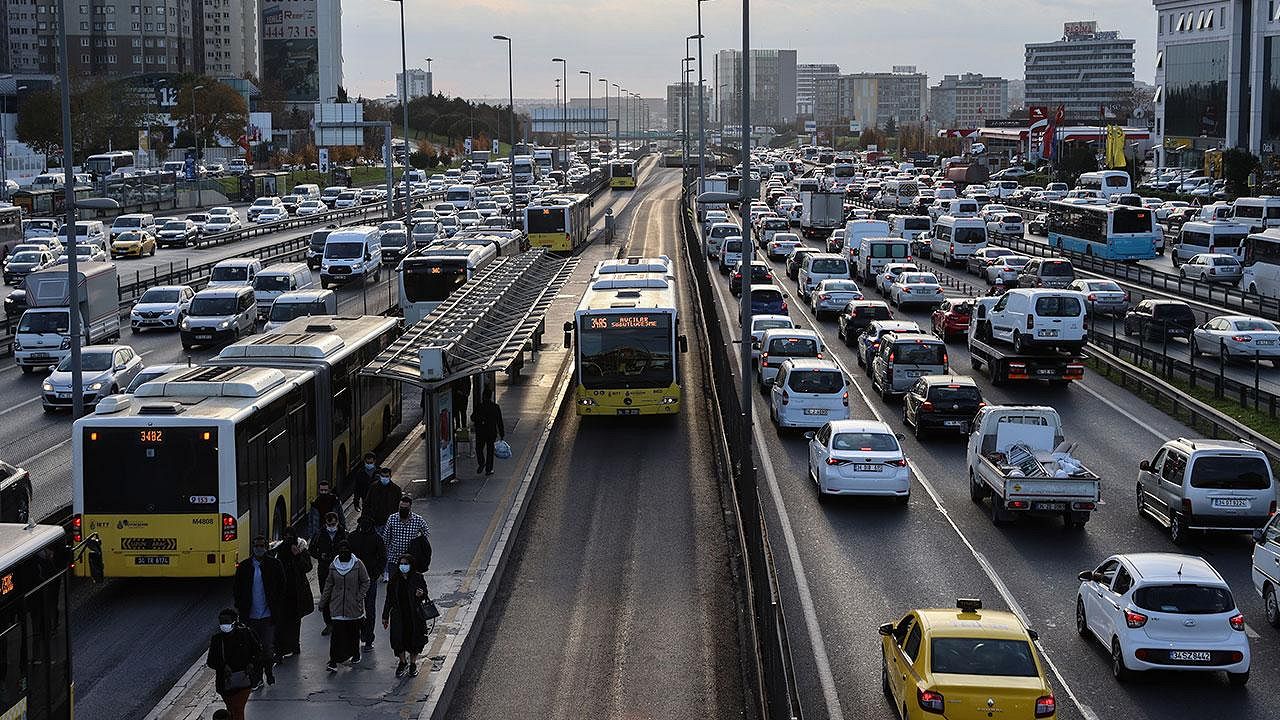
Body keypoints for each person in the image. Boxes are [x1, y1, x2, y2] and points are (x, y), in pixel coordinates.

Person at [206, 608, 272, 720]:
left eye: (226, 621)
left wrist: (251, 664)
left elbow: (258, 652)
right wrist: (222, 666)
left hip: (244, 680)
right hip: (226, 682)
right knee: (231, 708)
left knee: (238, 709)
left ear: (234, 621)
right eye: (221, 622)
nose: (224, 625)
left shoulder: (246, 634)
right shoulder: (217, 639)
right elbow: (211, 662)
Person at [318, 540, 371, 671]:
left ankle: (355, 654)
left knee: (353, 634)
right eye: (341, 549)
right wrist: (323, 602)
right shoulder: (333, 566)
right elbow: (328, 585)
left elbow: (366, 581)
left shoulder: (358, 564)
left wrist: (359, 597)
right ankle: (333, 661)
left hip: (353, 607)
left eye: (346, 549)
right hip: (337, 607)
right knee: (336, 636)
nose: (343, 552)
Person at [232, 536, 285, 666]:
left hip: (268, 616)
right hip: (250, 616)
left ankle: (267, 670)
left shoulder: (275, 565)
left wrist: (277, 606)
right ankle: (257, 677)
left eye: (262, 546)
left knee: (266, 648)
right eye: (256, 546)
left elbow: (282, 586)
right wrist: (240, 606)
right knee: (252, 649)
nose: (259, 549)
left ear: (266, 547)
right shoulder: (244, 567)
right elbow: (236, 589)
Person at [382, 553, 429, 677]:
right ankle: (402, 662)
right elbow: (388, 599)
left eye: (406, 564)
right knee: (398, 640)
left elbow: (425, 593)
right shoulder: (394, 580)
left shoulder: (418, 577)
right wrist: (385, 616)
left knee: (416, 640)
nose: (403, 566)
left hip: (414, 615)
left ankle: (413, 663)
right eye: (401, 564)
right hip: (399, 615)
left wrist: (421, 594)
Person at [347, 514, 387, 652]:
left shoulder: (352, 537)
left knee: (355, 610)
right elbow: (383, 558)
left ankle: (360, 637)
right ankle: (368, 638)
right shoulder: (377, 538)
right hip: (369, 579)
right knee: (370, 609)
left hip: (357, 579)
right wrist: (376, 573)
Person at [275, 528, 314, 658]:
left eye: (290, 536)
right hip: (283, 592)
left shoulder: (301, 549)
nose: (287, 538)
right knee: (282, 621)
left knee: (295, 621)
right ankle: (282, 648)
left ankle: (294, 645)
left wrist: (298, 556)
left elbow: (308, 567)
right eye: (285, 536)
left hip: (298, 592)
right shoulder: (279, 550)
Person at [309, 512, 347, 635]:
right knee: (326, 596)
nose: (331, 526)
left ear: (337, 522)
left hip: (340, 569)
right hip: (324, 569)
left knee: (339, 596)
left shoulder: (344, 534)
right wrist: (320, 555)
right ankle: (329, 623)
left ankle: (339, 622)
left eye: (334, 524)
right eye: (329, 524)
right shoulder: (319, 534)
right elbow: (312, 549)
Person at [382, 494, 429, 578]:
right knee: (394, 584)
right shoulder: (392, 519)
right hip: (394, 559)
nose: (402, 510)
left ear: (410, 507)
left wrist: (417, 544)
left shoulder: (418, 520)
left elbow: (426, 533)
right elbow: (386, 538)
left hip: (411, 560)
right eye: (401, 508)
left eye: (405, 508)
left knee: (410, 584)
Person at [471, 391, 505, 476]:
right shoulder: (495, 407)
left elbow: (472, 417)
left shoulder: (479, 406)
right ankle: (488, 470)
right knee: (490, 451)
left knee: (479, 449)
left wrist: (480, 420)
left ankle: (481, 462)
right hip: (491, 432)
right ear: (491, 396)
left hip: (481, 432)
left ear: (483, 396)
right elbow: (499, 421)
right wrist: (502, 433)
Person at [364, 468, 402, 542]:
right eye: (383, 476)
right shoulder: (373, 488)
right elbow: (367, 504)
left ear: (390, 476)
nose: (384, 478)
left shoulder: (396, 489)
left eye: (386, 476)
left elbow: (398, 506)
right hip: (375, 522)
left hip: (390, 523)